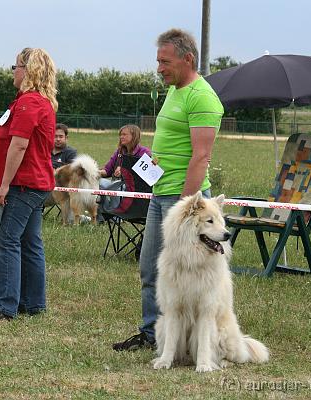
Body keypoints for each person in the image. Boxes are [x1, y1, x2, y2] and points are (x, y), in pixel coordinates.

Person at [112, 28, 224, 351]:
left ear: (188, 59)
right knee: (151, 267)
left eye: (165, 61)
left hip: (182, 202)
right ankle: (153, 334)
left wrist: (187, 210)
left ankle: (188, 341)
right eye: (157, 61)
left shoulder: (202, 97)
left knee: (187, 275)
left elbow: (201, 156)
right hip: (161, 195)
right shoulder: (175, 91)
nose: (159, 68)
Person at [0, 47, 58, 321]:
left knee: (9, 240)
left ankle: (4, 304)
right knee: (31, 242)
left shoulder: (28, 103)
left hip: (24, 184)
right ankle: (33, 302)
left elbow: (19, 145)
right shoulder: (41, 102)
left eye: (16, 66)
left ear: (28, 70)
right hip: (38, 183)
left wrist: (4, 185)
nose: (14, 71)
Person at [98, 124, 151, 189]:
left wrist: (124, 171)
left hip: (134, 188)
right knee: (97, 182)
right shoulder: (119, 152)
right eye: (120, 135)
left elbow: (147, 176)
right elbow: (107, 171)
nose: (121, 137)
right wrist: (92, 172)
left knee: (117, 189)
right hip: (117, 184)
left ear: (134, 136)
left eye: (124, 134)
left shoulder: (144, 152)